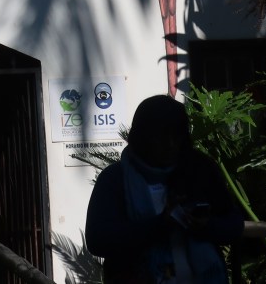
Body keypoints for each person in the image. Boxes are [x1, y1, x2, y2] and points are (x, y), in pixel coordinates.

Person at [85, 95, 242, 284]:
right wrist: (159, 226)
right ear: (143, 137)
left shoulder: (200, 170)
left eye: (177, 136)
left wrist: (206, 226)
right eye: (161, 136)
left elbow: (233, 224)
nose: (171, 144)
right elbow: (98, 240)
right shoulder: (115, 179)